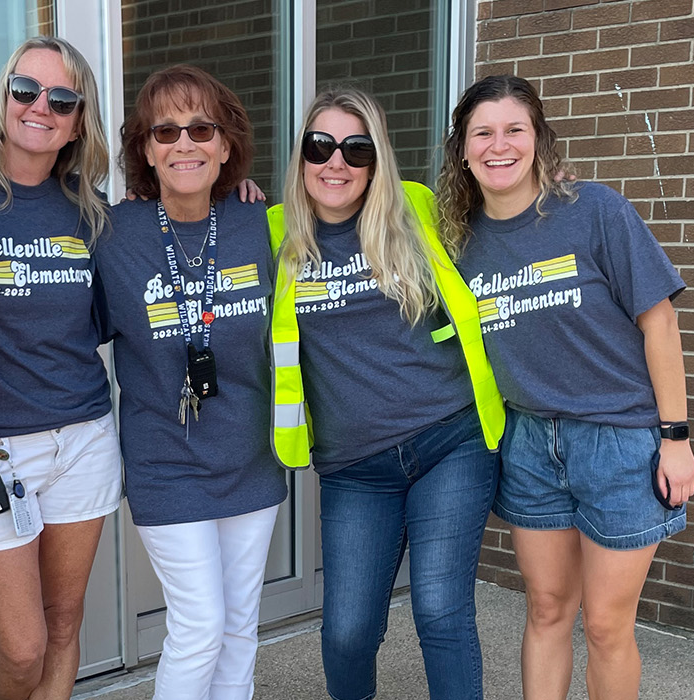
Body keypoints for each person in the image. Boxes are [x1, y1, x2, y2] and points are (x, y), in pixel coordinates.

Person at [436, 74, 694, 700]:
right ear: (463, 150)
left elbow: (659, 321)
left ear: (538, 138)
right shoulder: (457, 240)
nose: (499, 146)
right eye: (483, 133)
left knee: (606, 624)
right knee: (548, 610)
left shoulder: (594, 211)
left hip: (620, 442)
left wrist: (676, 436)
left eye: (513, 130)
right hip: (527, 442)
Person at [267, 88, 506, 700]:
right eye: (320, 146)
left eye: (356, 148)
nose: (336, 162)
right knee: (347, 632)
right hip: (354, 467)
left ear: (376, 161)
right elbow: (193, 216)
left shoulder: (418, 211)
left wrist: (555, 192)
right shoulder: (271, 234)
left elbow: (507, 203)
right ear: (300, 158)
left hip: (449, 439)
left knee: (440, 611)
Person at [0, 37, 120, 700]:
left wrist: (235, 201)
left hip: (83, 438)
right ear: (4, 94)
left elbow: (108, 311)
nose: (42, 107)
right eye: (27, 90)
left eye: (62, 100)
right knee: (22, 644)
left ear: (77, 120)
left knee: (64, 626)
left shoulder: (90, 209)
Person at [96, 64, 289, 700]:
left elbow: (357, 221)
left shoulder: (262, 226)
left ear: (226, 144)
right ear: (145, 152)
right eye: (166, 132)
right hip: (166, 463)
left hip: (250, 459)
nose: (185, 144)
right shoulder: (112, 234)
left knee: (239, 629)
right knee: (200, 625)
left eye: (201, 129)